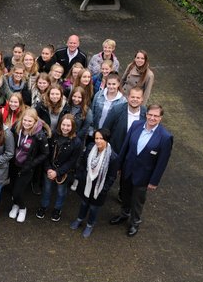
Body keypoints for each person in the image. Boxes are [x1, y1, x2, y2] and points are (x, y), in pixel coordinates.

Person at [110, 105, 173, 237]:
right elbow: (125, 147)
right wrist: (119, 166)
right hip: (127, 169)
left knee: (137, 201)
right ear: (146, 114)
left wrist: (154, 181)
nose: (152, 118)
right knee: (125, 195)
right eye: (150, 115)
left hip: (144, 175)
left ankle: (134, 222)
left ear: (160, 118)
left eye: (156, 116)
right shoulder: (136, 125)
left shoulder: (165, 137)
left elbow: (162, 162)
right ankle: (124, 214)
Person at [70, 129, 119, 238]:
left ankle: (90, 225)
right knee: (83, 203)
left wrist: (104, 189)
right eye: (96, 138)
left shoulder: (113, 157)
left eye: (101, 138)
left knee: (93, 208)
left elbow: (112, 177)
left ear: (107, 139)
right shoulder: (90, 148)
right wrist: (80, 175)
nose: (98, 141)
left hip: (99, 188)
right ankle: (80, 219)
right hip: (86, 183)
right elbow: (82, 163)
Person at [37, 114, 82, 222]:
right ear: (60, 124)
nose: (65, 128)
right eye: (63, 124)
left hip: (63, 172)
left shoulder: (77, 142)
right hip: (49, 169)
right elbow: (46, 153)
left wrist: (57, 172)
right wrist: (48, 169)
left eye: (68, 126)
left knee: (61, 192)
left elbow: (72, 161)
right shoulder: (53, 136)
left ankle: (57, 209)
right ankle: (43, 206)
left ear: (73, 127)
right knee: (46, 190)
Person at [9, 109, 50, 223]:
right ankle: (15, 205)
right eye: (25, 120)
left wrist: (32, 164)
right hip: (14, 164)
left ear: (35, 121)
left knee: (18, 191)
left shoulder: (40, 135)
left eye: (30, 121)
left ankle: (22, 208)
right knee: (13, 189)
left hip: (27, 167)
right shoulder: (17, 127)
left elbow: (45, 153)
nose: (26, 123)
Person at [102, 87, 147, 154]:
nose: (135, 99)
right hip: (115, 152)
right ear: (128, 97)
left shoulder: (146, 114)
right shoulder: (116, 110)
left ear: (142, 99)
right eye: (132, 97)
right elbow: (105, 129)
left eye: (138, 97)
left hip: (133, 154)